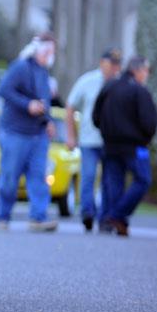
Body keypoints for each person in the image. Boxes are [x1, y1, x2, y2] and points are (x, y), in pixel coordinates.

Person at [0, 32, 59, 232]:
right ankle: (3, 216)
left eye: (52, 51)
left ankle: (38, 218)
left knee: (39, 177)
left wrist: (47, 121)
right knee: (9, 178)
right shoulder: (21, 67)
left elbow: (43, 101)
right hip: (15, 133)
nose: (50, 54)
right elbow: (3, 89)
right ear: (37, 49)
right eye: (47, 50)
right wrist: (27, 104)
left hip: (38, 134)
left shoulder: (43, 71)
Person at [92, 55, 157, 236]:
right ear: (137, 70)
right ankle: (116, 215)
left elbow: (95, 117)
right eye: (146, 71)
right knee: (143, 180)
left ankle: (112, 219)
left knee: (114, 184)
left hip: (110, 145)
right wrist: (144, 138)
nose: (146, 75)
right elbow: (149, 122)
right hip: (134, 146)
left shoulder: (109, 87)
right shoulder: (139, 91)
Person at [65, 48, 123, 231]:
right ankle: (88, 213)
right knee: (88, 176)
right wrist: (71, 135)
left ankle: (105, 217)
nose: (113, 68)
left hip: (111, 141)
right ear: (102, 63)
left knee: (109, 180)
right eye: (110, 64)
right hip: (89, 140)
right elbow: (70, 106)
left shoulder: (121, 84)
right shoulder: (88, 81)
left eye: (116, 65)